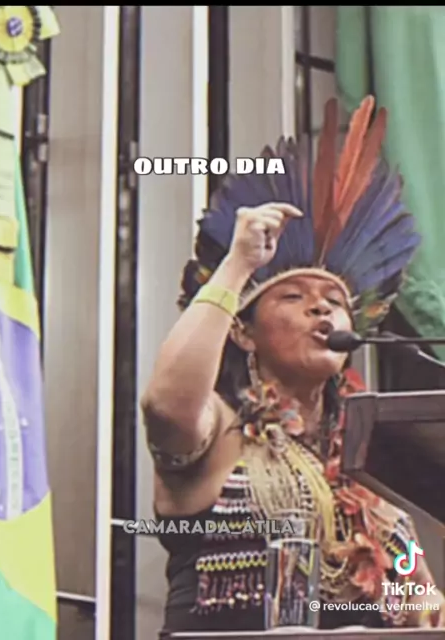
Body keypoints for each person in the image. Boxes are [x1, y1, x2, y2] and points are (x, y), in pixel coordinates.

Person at [141, 95, 445, 637]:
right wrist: (238, 265)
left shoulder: (374, 468)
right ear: (243, 331)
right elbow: (165, 404)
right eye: (293, 297)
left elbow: (423, 607)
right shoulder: (218, 430)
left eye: (334, 301)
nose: (321, 309)